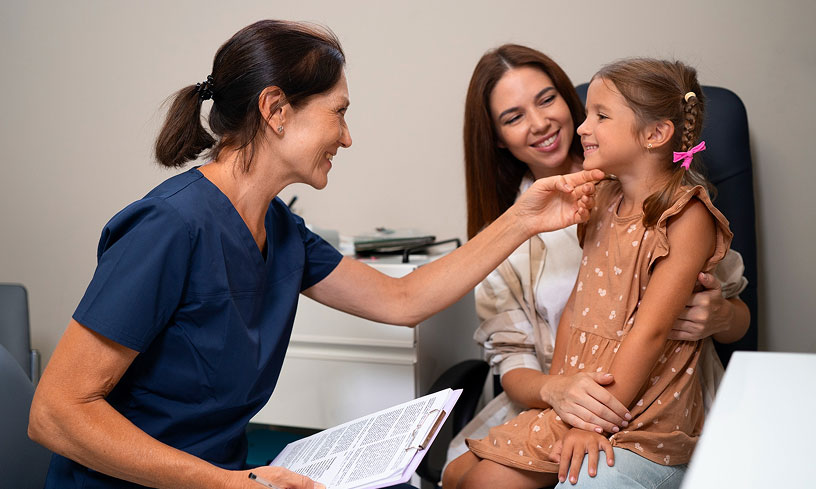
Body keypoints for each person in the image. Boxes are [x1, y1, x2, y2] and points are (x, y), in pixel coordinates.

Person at [27, 20, 604, 489]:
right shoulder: (169, 226)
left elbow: (403, 298)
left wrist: (524, 218)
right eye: (339, 112)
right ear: (276, 110)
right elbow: (55, 413)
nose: (346, 137)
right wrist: (226, 484)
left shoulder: (280, 231)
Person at [442, 47, 750, 488]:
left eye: (547, 100)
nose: (541, 123)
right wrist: (561, 395)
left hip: (639, 405)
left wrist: (721, 315)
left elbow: (668, 327)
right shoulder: (592, 203)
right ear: (497, 138)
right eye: (514, 117)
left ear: (655, 133)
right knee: (460, 474)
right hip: (567, 394)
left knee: (487, 481)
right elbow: (568, 315)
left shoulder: (675, 212)